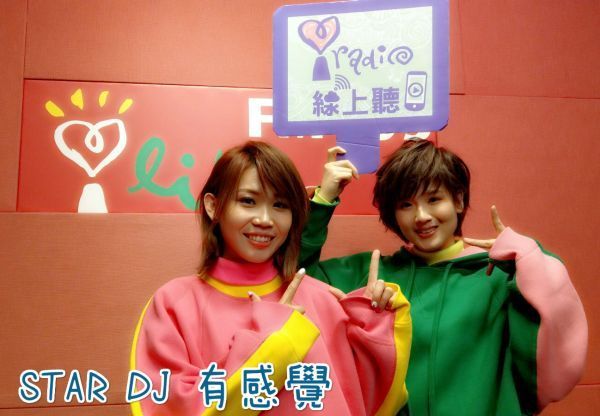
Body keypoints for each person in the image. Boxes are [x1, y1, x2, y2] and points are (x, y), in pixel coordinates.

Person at [300, 139, 587, 416]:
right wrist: (323, 200)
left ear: (458, 200)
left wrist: (528, 258)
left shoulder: (500, 276)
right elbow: (293, 278)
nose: (421, 216)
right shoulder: (371, 274)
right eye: (406, 205)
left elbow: (553, 355)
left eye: (434, 199)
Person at [130, 141, 411, 415]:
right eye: (248, 201)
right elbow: (166, 406)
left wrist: (376, 330)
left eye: (280, 205)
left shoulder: (322, 299)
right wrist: (275, 346)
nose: (265, 219)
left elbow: (363, 400)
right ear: (213, 206)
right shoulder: (174, 304)